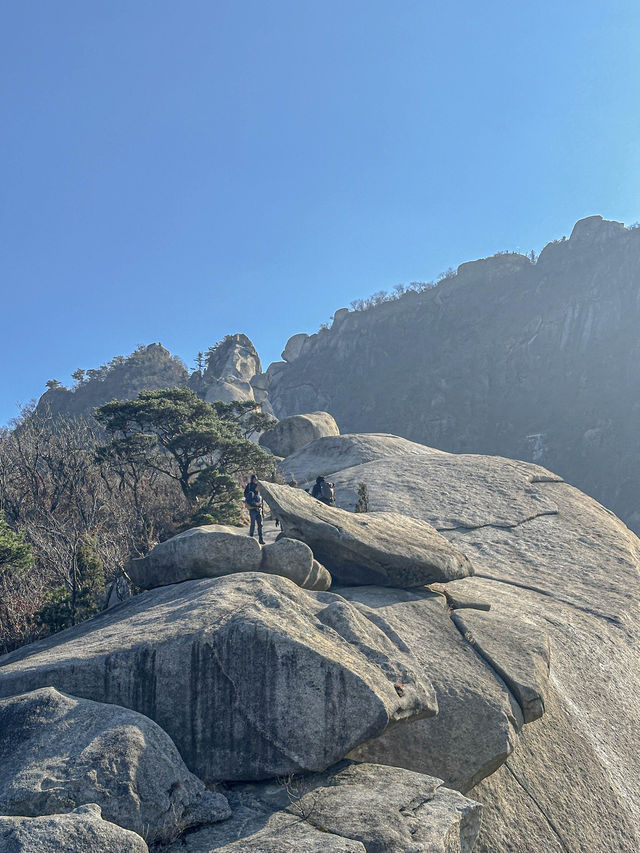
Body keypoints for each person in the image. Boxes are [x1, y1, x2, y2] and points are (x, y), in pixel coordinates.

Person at [244, 475, 265, 544]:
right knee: (253, 524)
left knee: (260, 525)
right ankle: (251, 538)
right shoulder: (250, 490)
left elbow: (262, 501)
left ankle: (261, 539)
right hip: (253, 509)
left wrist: (262, 511)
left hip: (259, 510)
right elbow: (248, 500)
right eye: (255, 479)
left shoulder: (258, 493)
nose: (256, 480)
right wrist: (255, 504)